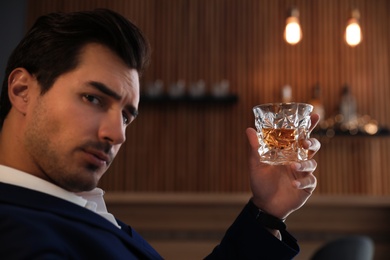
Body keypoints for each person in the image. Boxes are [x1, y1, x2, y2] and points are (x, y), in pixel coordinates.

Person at [0, 9, 321, 259]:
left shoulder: (62, 205)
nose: (117, 134)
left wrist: (267, 212)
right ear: (22, 90)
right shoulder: (18, 236)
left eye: (127, 116)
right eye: (93, 98)